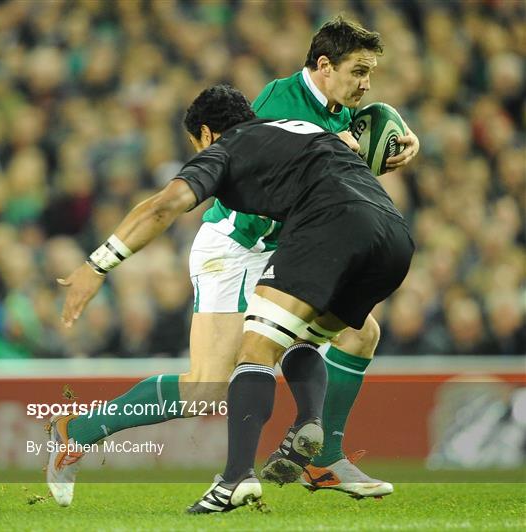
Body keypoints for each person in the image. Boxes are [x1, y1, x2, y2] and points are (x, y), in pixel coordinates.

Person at [47, 17, 419, 507]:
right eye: (358, 71)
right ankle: (77, 428)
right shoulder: (278, 102)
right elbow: (240, 164)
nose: (366, 84)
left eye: (370, 73)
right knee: (206, 389)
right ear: (324, 66)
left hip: (285, 247)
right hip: (238, 245)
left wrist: (404, 139)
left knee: (358, 331)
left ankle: (324, 455)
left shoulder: (344, 110)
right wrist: (97, 264)